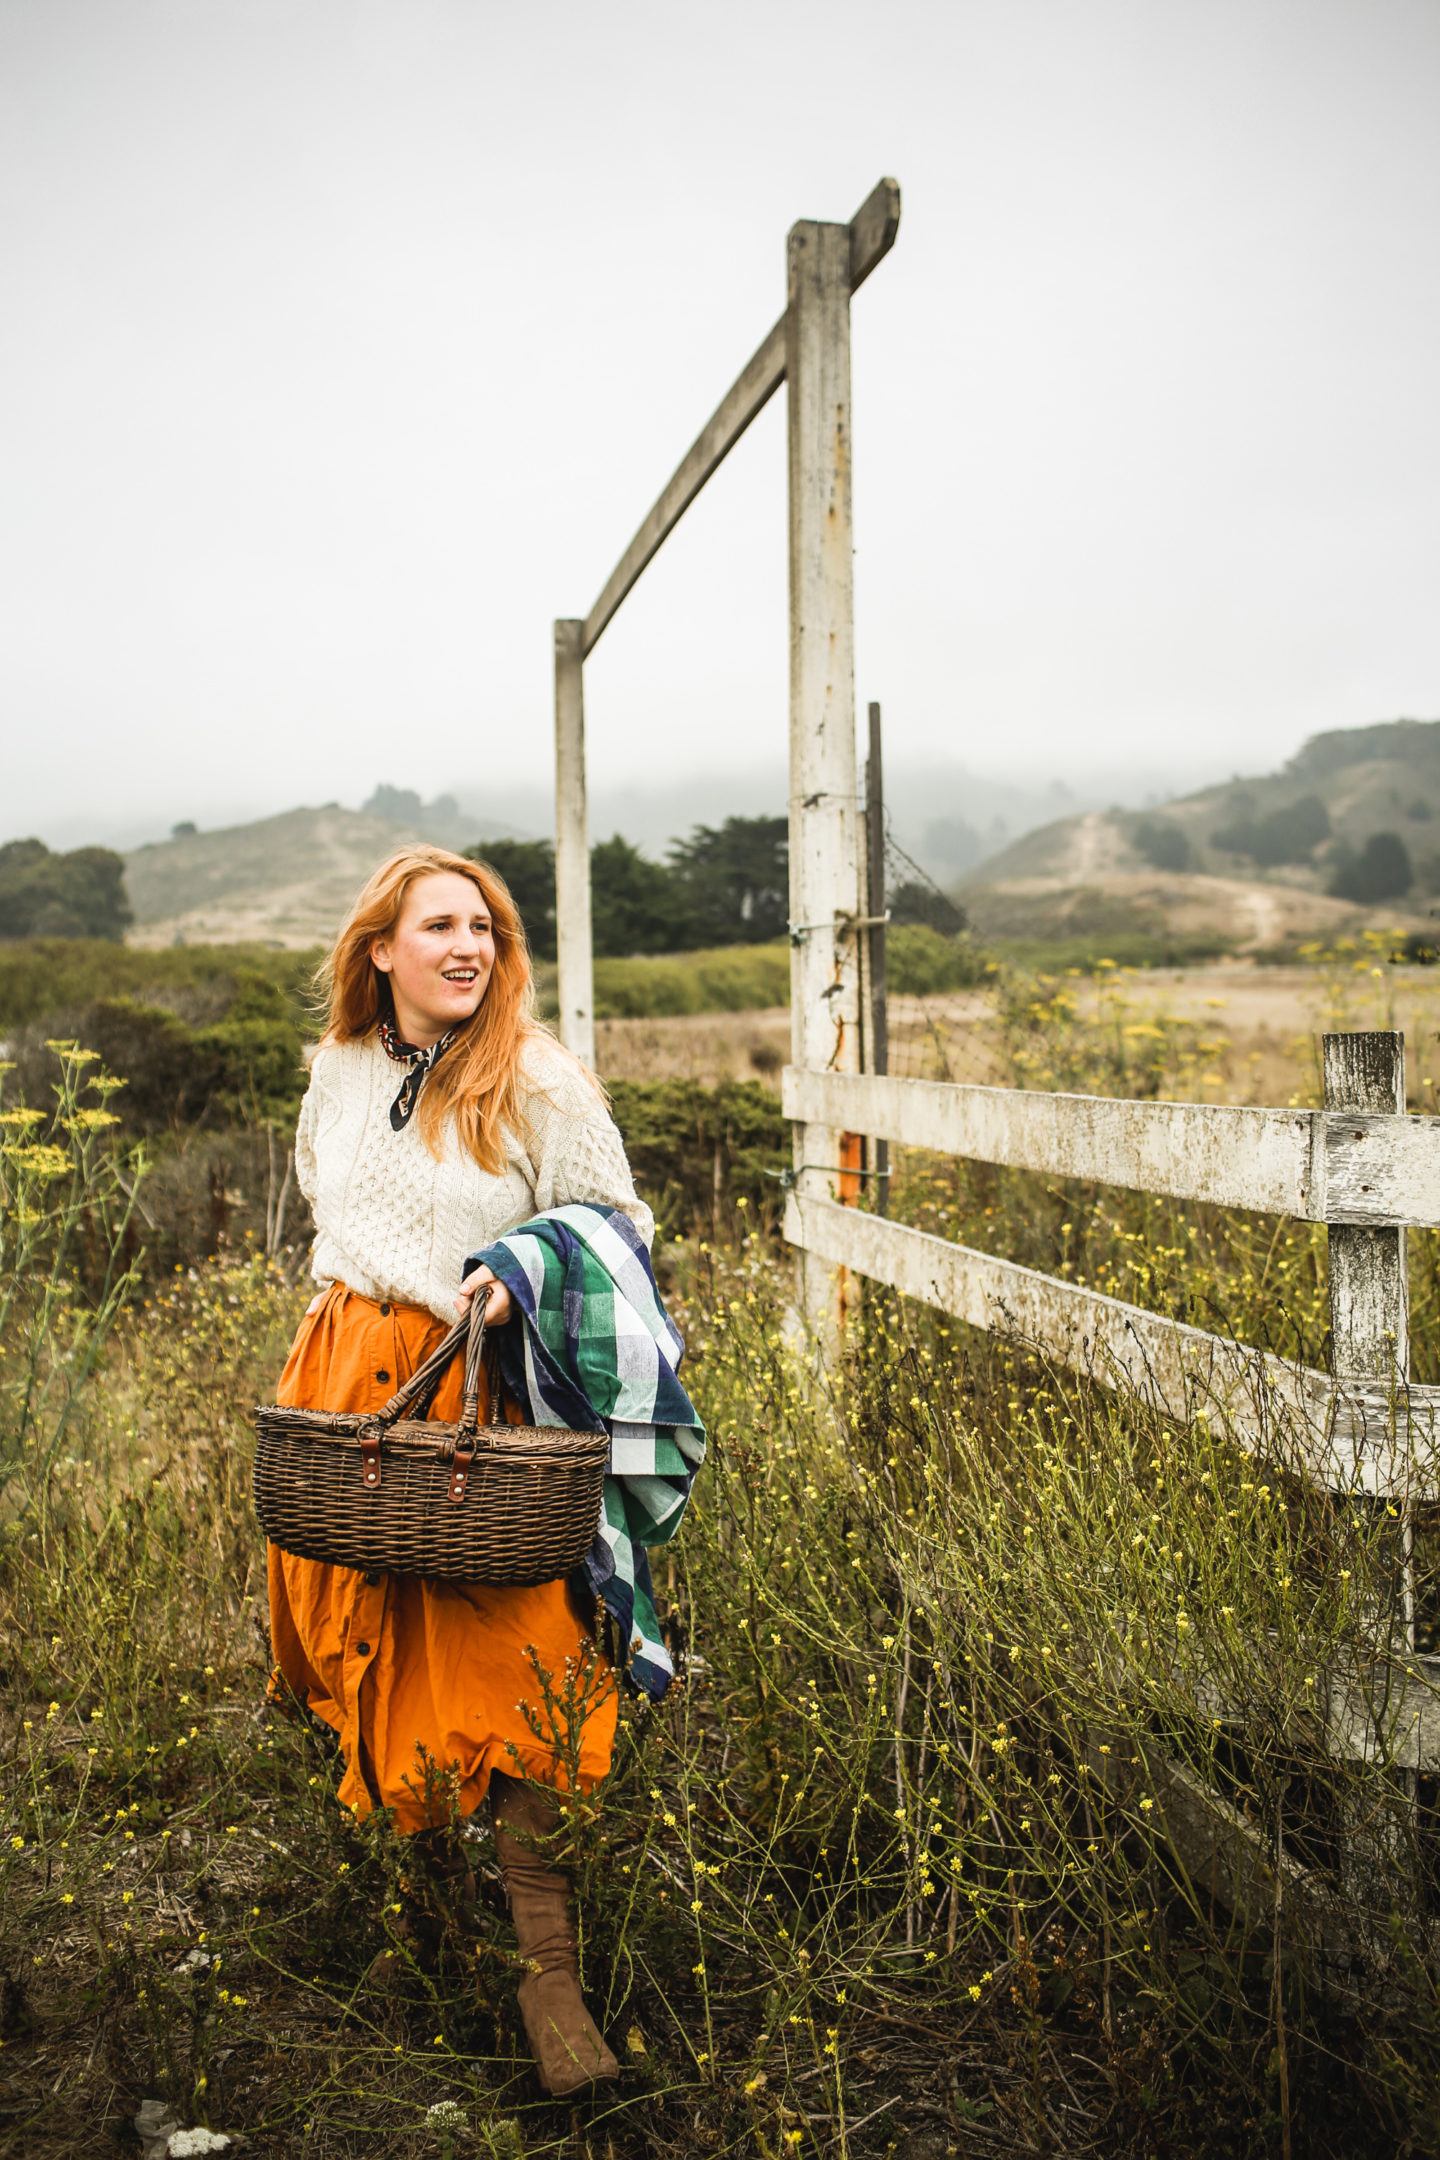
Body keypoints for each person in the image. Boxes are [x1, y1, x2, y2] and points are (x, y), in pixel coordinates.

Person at [267, 842, 655, 2095]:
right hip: (344, 1397)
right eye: (440, 926)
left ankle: (551, 1985)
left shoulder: (533, 1075)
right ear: (381, 949)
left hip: (482, 1408)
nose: (469, 948)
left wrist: (524, 1267)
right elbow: (324, 1193)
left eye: (484, 928)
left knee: (530, 1671)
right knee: (363, 1649)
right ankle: (422, 1917)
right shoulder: (335, 1069)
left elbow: (621, 1226)